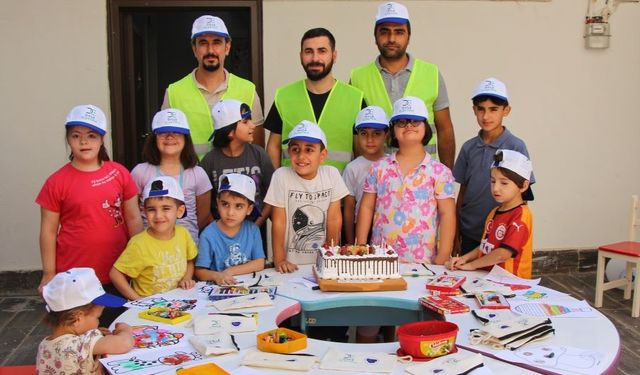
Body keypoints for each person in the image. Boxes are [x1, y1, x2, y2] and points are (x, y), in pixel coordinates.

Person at [36, 104, 142, 324]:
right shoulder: (56, 182)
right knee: (79, 333)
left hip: (117, 273)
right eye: (76, 135)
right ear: (68, 139)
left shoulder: (119, 173)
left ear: (102, 139)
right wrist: (49, 273)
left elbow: (133, 218)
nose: (84, 142)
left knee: (117, 329)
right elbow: (48, 230)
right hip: (76, 278)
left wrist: (140, 257)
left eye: (91, 135)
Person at [350, 2, 455, 169]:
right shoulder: (358, 78)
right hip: (378, 181)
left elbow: (445, 130)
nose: (391, 39)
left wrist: (447, 177)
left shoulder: (431, 73)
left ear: (409, 36)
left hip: (424, 179)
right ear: (375, 35)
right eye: (385, 32)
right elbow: (356, 134)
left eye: (399, 32)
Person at [356, 97, 455, 264]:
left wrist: (444, 254)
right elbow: (366, 207)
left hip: (424, 260)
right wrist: (360, 246)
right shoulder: (379, 168)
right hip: (380, 259)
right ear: (392, 130)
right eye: (401, 122)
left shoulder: (439, 172)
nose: (408, 126)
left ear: (426, 127)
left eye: (415, 121)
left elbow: (447, 214)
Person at [162, 15, 265, 157]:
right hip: (191, 178)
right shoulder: (174, 93)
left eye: (217, 42)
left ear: (227, 47)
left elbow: (257, 148)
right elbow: (165, 148)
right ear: (194, 49)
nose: (210, 50)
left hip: (237, 179)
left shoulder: (248, 90)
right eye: (203, 43)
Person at [453, 78, 534, 255]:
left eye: (493, 109)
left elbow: (522, 195)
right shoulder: (469, 147)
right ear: (474, 110)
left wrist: (513, 234)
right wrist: (455, 234)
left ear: (506, 110)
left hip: (501, 235)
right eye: (481, 109)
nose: (486, 116)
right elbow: (463, 192)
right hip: (470, 231)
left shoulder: (516, 146)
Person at [264, 27, 363, 172]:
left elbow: (361, 154)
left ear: (334, 56)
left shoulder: (356, 99)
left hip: (339, 191)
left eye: (322, 51)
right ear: (300, 56)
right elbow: (274, 146)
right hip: (293, 191)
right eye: (308, 51)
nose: (315, 58)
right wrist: (275, 184)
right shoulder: (284, 96)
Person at [264, 121, 349, 273]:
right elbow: (279, 221)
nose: (301, 156)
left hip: (323, 260)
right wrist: (279, 259)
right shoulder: (281, 176)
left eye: (309, 150)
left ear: (322, 155)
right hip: (290, 263)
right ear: (289, 152)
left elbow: (334, 219)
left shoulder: (331, 174)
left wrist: (330, 253)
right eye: (295, 149)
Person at [446, 150, 534, 278]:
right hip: (487, 280)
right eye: (493, 181)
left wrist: (472, 265)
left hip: (511, 285)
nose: (496, 188)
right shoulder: (494, 213)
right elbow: (486, 246)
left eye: (504, 183)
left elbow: (502, 254)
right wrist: (464, 259)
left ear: (524, 185)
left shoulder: (521, 216)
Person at [131, 108, 212, 244]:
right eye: (163, 132)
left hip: (187, 248)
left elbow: (202, 216)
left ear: (186, 138)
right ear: (154, 138)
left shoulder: (198, 173)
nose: (170, 137)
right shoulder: (140, 172)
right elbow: (133, 213)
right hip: (149, 248)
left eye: (177, 132)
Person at [110, 176, 197, 300]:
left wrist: (187, 278)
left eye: (166, 208)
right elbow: (115, 274)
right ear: (144, 212)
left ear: (180, 211)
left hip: (179, 303)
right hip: (150, 311)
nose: (158, 215)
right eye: (151, 209)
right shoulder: (139, 243)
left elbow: (189, 260)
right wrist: (137, 300)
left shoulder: (183, 233)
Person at [37, 268, 134, 374]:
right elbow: (124, 343)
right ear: (77, 319)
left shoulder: (44, 345)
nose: (98, 322)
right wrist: (124, 330)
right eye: (97, 317)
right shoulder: (82, 344)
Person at [199, 99, 273, 239]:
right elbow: (204, 203)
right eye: (245, 122)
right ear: (229, 131)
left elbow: (272, 196)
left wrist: (255, 227)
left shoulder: (259, 155)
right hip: (220, 237)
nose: (253, 126)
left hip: (254, 234)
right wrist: (218, 231)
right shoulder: (210, 161)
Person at [195, 173, 265, 285]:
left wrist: (230, 271)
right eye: (225, 204)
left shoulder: (253, 230)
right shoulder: (208, 235)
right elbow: (199, 272)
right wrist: (217, 275)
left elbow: (259, 263)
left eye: (238, 206)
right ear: (217, 203)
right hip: (220, 289)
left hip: (248, 286)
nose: (230, 213)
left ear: (249, 209)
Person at [342, 106, 389, 245]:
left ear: (386, 135)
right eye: (364, 133)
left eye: (376, 133)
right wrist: (351, 241)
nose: (369, 139)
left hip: (387, 228)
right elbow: (349, 208)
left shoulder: (393, 164)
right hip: (361, 229)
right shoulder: (352, 168)